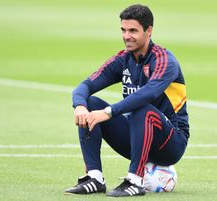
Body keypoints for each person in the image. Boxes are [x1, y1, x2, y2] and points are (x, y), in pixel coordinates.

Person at [65, 4, 189, 197]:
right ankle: (94, 177)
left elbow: (147, 94)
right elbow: (84, 86)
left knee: (141, 108)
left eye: (133, 30)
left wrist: (108, 112)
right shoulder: (123, 60)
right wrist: (80, 106)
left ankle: (135, 181)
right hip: (137, 140)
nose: (126, 36)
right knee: (90, 103)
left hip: (171, 143)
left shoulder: (165, 60)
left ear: (149, 31)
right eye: (123, 30)